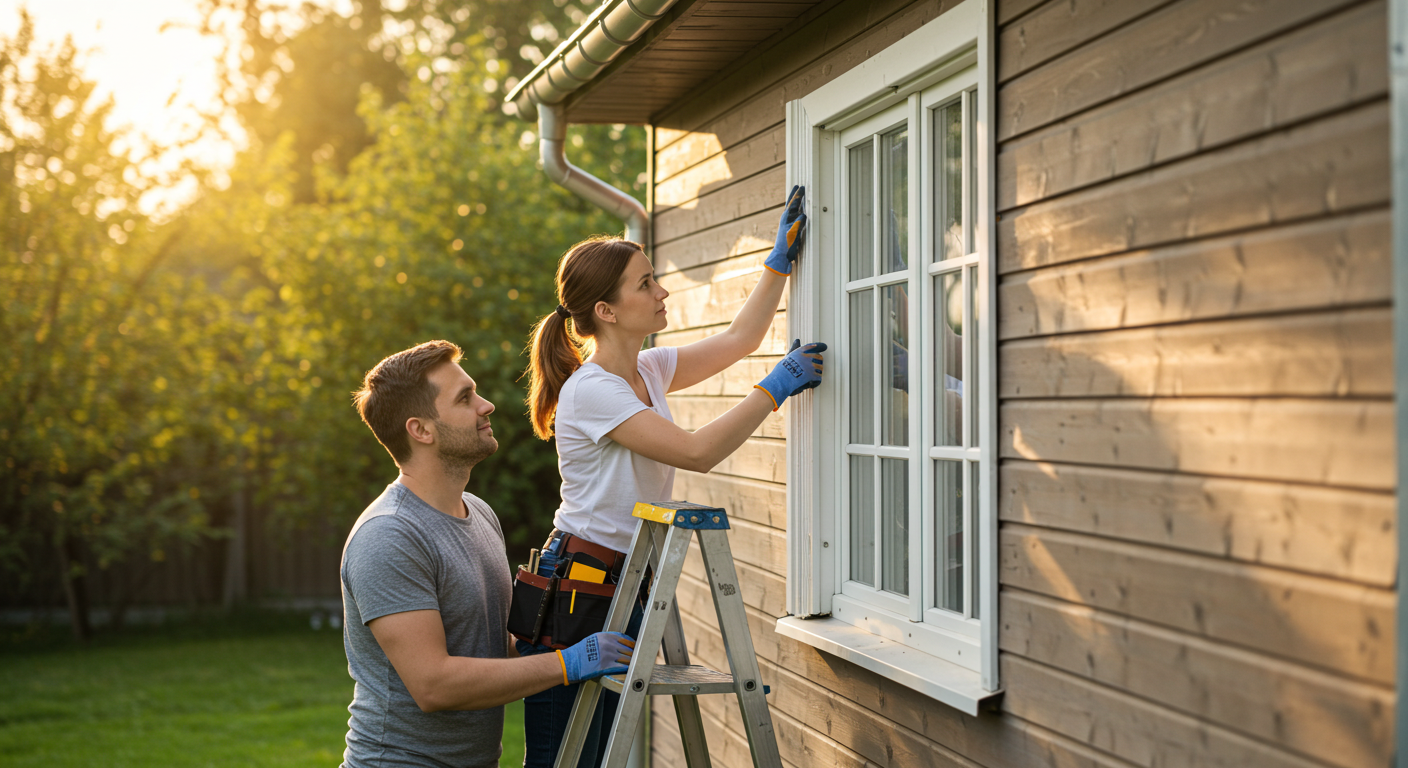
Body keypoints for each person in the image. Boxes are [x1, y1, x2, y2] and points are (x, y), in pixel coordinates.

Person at [517, 186, 825, 768]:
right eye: (645, 283)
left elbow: (739, 340)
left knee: (604, 747)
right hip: (581, 581)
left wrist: (778, 264)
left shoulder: (648, 368)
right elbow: (696, 452)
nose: (662, 291)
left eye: (655, 277)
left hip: (626, 575)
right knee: (565, 756)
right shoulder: (593, 391)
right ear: (605, 311)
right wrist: (775, 389)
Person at [340, 340, 636, 768]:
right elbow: (435, 685)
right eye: (465, 398)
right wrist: (569, 662)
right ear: (420, 430)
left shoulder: (477, 513)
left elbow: (494, 648)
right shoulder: (389, 536)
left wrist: (562, 636)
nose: (488, 405)